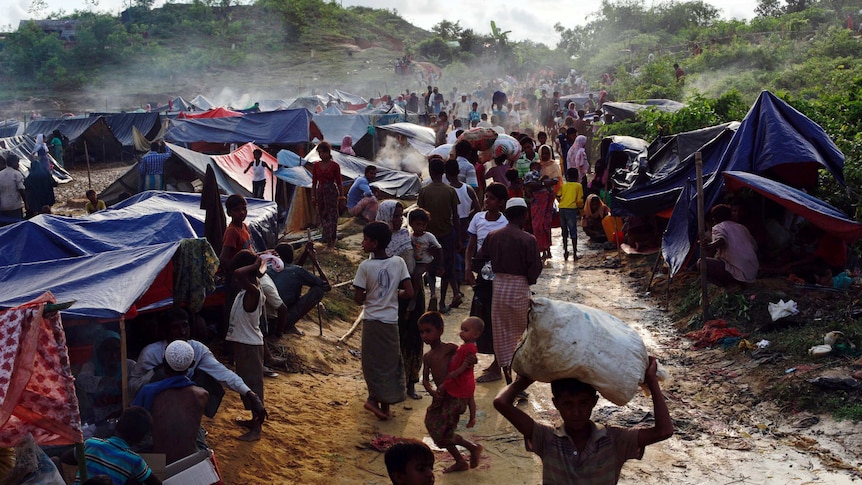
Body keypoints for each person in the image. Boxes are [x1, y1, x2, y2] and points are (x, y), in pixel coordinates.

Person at [493, 357, 674, 484]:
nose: (576, 412)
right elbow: (501, 403)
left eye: (584, 403)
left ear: (594, 402)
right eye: (568, 404)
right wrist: (527, 378)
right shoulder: (546, 438)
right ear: (556, 404)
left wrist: (652, 382)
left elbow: (664, 431)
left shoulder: (615, 440)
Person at [130, 307, 267, 434]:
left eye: (185, 325)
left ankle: (189, 422)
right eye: (175, 328)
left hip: (183, 406)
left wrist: (250, 394)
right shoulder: (150, 353)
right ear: (165, 330)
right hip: (154, 407)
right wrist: (155, 372)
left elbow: (223, 373)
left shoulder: (197, 349)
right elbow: (132, 387)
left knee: (206, 377)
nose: (183, 331)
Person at [474, 197, 542, 385]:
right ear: (523, 215)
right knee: (521, 335)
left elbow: (479, 260)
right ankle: (521, 382)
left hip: (499, 289)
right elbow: (534, 269)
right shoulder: (528, 239)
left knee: (501, 334)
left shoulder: (493, 236)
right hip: (519, 289)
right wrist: (528, 280)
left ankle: (507, 379)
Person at [353, 221, 415, 420]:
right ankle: (385, 404)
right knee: (390, 362)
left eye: (365, 240)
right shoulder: (398, 262)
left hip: (372, 321)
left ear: (374, 243)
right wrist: (392, 293)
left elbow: (358, 299)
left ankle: (373, 399)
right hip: (390, 321)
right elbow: (410, 292)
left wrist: (371, 294)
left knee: (372, 362)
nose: (362, 243)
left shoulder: (365, 266)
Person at [419, 313, 483, 473]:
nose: (425, 336)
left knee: (444, 433)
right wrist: (432, 392)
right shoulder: (427, 357)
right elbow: (425, 380)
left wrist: (472, 359)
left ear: (440, 331)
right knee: (432, 424)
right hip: (440, 397)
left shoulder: (450, 348)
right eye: (422, 332)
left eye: (428, 331)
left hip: (454, 396)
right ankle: (461, 459)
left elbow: (468, 356)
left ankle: (471, 449)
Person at [377, 200, 425, 400]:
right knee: (391, 340)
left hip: (411, 292)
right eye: (394, 216)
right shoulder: (378, 239)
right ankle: (391, 383)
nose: (398, 220)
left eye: (400, 216)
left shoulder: (405, 237)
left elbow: (414, 268)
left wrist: (412, 299)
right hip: (389, 295)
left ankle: (412, 382)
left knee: (413, 337)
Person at [132, 340, 207, 465]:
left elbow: (135, 425)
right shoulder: (202, 395)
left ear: (163, 363)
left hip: (158, 462)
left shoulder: (148, 391)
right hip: (188, 461)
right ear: (192, 363)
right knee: (199, 430)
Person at [465, 183, 508, 383]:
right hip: (482, 276)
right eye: (486, 197)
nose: (486, 201)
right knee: (480, 316)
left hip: (498, 277)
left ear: (500, 202)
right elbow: (471, 246)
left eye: (491, 198)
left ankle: (499, 365)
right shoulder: (478, 219)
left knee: (497, 319)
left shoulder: (505, 223)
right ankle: (493, 362)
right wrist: (467, 268)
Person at [225, 249, 269, 441]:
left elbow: (237, 273)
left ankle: (257, 429)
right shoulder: (246, 291)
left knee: (254, 387)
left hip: (250, 346)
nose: (236, 278)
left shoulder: (254, 292)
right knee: (247, 385)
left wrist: (254, 264)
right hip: (244, 344)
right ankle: (253, 420)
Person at [74, 406, 162, 485]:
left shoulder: (90, 443)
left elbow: (64, 458)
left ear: (116, 426)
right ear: (141, 439)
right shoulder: (134, 460)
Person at [418, 157, 460, 313]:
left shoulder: (424, 191)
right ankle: (442, 302)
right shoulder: (450, 191)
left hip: (428, 235)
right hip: (447, 234)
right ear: (443, 172)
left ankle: (433, 295)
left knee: (430, 266)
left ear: (430, 171)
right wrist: (459, 238)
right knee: (446, 268)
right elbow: (455, 216)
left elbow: (420, 215)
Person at [76, 330, 135, 433]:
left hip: (126, 419)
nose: (113, 355)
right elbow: (82, 380)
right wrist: (106, 381)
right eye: (107, 350)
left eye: (117, 350)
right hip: (98, 421)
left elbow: (137, 384)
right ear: (98, 352)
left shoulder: (129, 365)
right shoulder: (91, 366)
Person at [267, 243, 329, 337]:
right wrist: (314, 261)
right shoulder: (296, 271)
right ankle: (288, 326)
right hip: (280, 321)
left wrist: (305, 254)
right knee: (319, 290)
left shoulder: (266, 268)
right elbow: (327, 285)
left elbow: (294, 272)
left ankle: (288, 325)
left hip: (264, 321)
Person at [700, 204, 759, 287]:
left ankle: (722, 286)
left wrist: (708, 246)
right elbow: (755, 246)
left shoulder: (718, 227)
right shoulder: (742, 227)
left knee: (701, 262)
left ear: (714, 219)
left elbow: (721, 240)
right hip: (752, 273)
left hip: (738, 274)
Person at [408, 208, 442, 313]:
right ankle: (430, 295)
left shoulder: (428, 236)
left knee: (417, 274)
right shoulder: (410, 237)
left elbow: (439, 248)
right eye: (418, 224)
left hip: (426, 261)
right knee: (417, 275)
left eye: (423, 225)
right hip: (416, 261)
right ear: (411, 224)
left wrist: (440, 265)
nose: (421, 227)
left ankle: (415, 297)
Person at [311, 142, 343, 249]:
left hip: (331, 192)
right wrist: (313, 196)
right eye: (319, 153)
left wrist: (341, 196)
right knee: (323, 216)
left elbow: (339, 182)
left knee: (332, 217)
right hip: (321, 192)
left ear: (327, 152)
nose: (320, 155)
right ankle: (327, 239)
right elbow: (314, 182)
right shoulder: (316, 165)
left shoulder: (335, 166)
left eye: (322, 152)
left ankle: (332, 242)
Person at [524, 161, 557, 261]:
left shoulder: (547, 172)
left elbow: (553, 182)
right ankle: (543, 249)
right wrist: (543, 183)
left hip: (544, 201)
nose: (538, 168)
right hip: (539, 202)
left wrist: (542, 183)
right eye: (536, 166)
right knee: (540, 225)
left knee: (543, 225)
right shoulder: (531, 174)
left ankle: (545, 249)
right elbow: (531, 185)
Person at [557, 167, 585, 261]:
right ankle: (575, 253)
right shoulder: (578, 186)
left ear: (567, 176)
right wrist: (581, 211)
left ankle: (565, 252)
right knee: (573, 231)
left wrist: (562, 202)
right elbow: (579, 200)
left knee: (564, 231)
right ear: (577, 176)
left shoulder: (564, 186)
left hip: (562, 209)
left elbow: (558, 196)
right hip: (571, 209)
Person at [23, 152, 55, 218]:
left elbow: (26, 186)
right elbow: (54, 183)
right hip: (47, 198)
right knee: (47, 214)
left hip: (36, 200)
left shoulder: (30, 177)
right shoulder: (46, 174)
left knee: (38, 216)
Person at [0, 153, 26, 220]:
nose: (18, 165)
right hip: (15, 205)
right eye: (17, 163)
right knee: (17, 225)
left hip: (3, 206)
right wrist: (26, 203)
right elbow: (21, 190)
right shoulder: (16, 174)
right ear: (14, 163)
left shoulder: (0, 174)